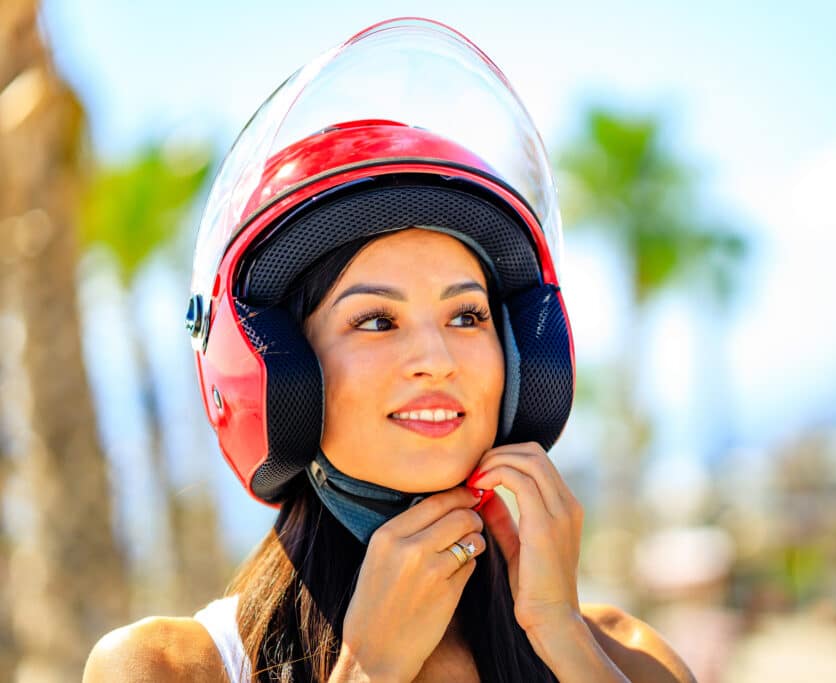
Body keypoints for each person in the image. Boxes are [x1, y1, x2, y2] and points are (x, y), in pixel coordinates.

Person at [83, 18, 694, 682]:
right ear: (282, 369)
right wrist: (367, 670)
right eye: (376, 320)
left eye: (467, 314)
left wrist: (561, 637)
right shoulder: (170, 667)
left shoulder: (628, 657)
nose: (438, 357)